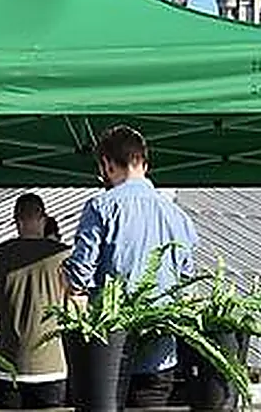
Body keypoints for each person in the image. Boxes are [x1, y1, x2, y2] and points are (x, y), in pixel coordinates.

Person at [64, 125, 197, 409]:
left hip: (106, 357)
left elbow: (79, 277)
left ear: (106, 165)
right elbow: (186, 283)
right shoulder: (179, 217)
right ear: (145, 164)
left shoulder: (101, 207)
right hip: (161, 356)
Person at [0, 193, 69, 409]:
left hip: (7, 365)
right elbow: (75, 310)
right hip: (51, 365)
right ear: (44, 219)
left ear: (16, 220)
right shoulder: (65, 255)